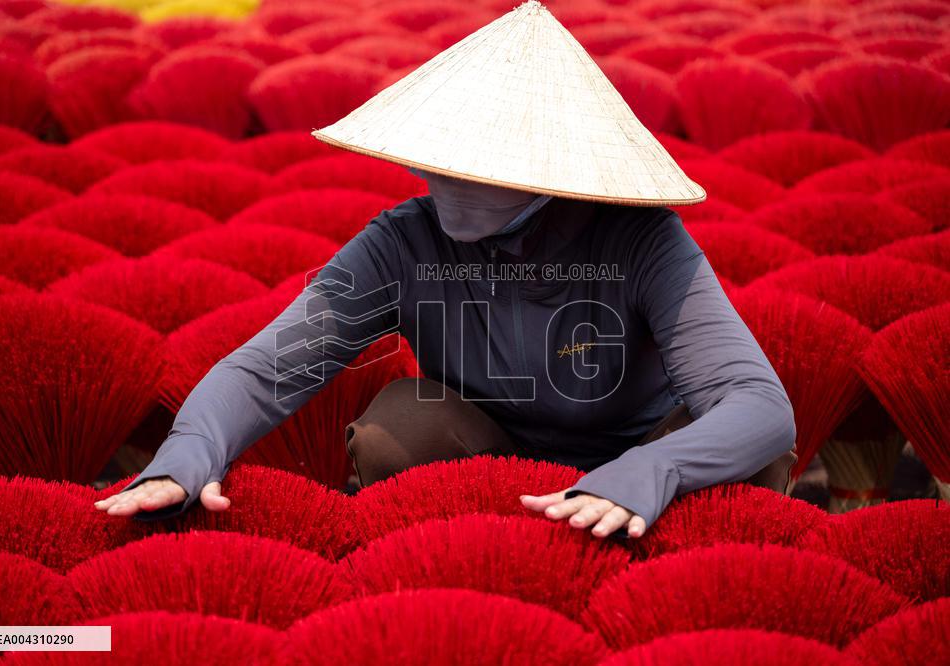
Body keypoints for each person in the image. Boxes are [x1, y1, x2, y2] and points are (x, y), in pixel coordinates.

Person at [94, 1, 797, 539]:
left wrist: (651, 468)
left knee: (753, 459)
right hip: (486, 454)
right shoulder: (404, 244)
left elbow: (759, 406)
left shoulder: (643, 242)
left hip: (640, 451)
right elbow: (267, 367)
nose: (452, 178)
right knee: (398, 423)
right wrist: (191, 450)